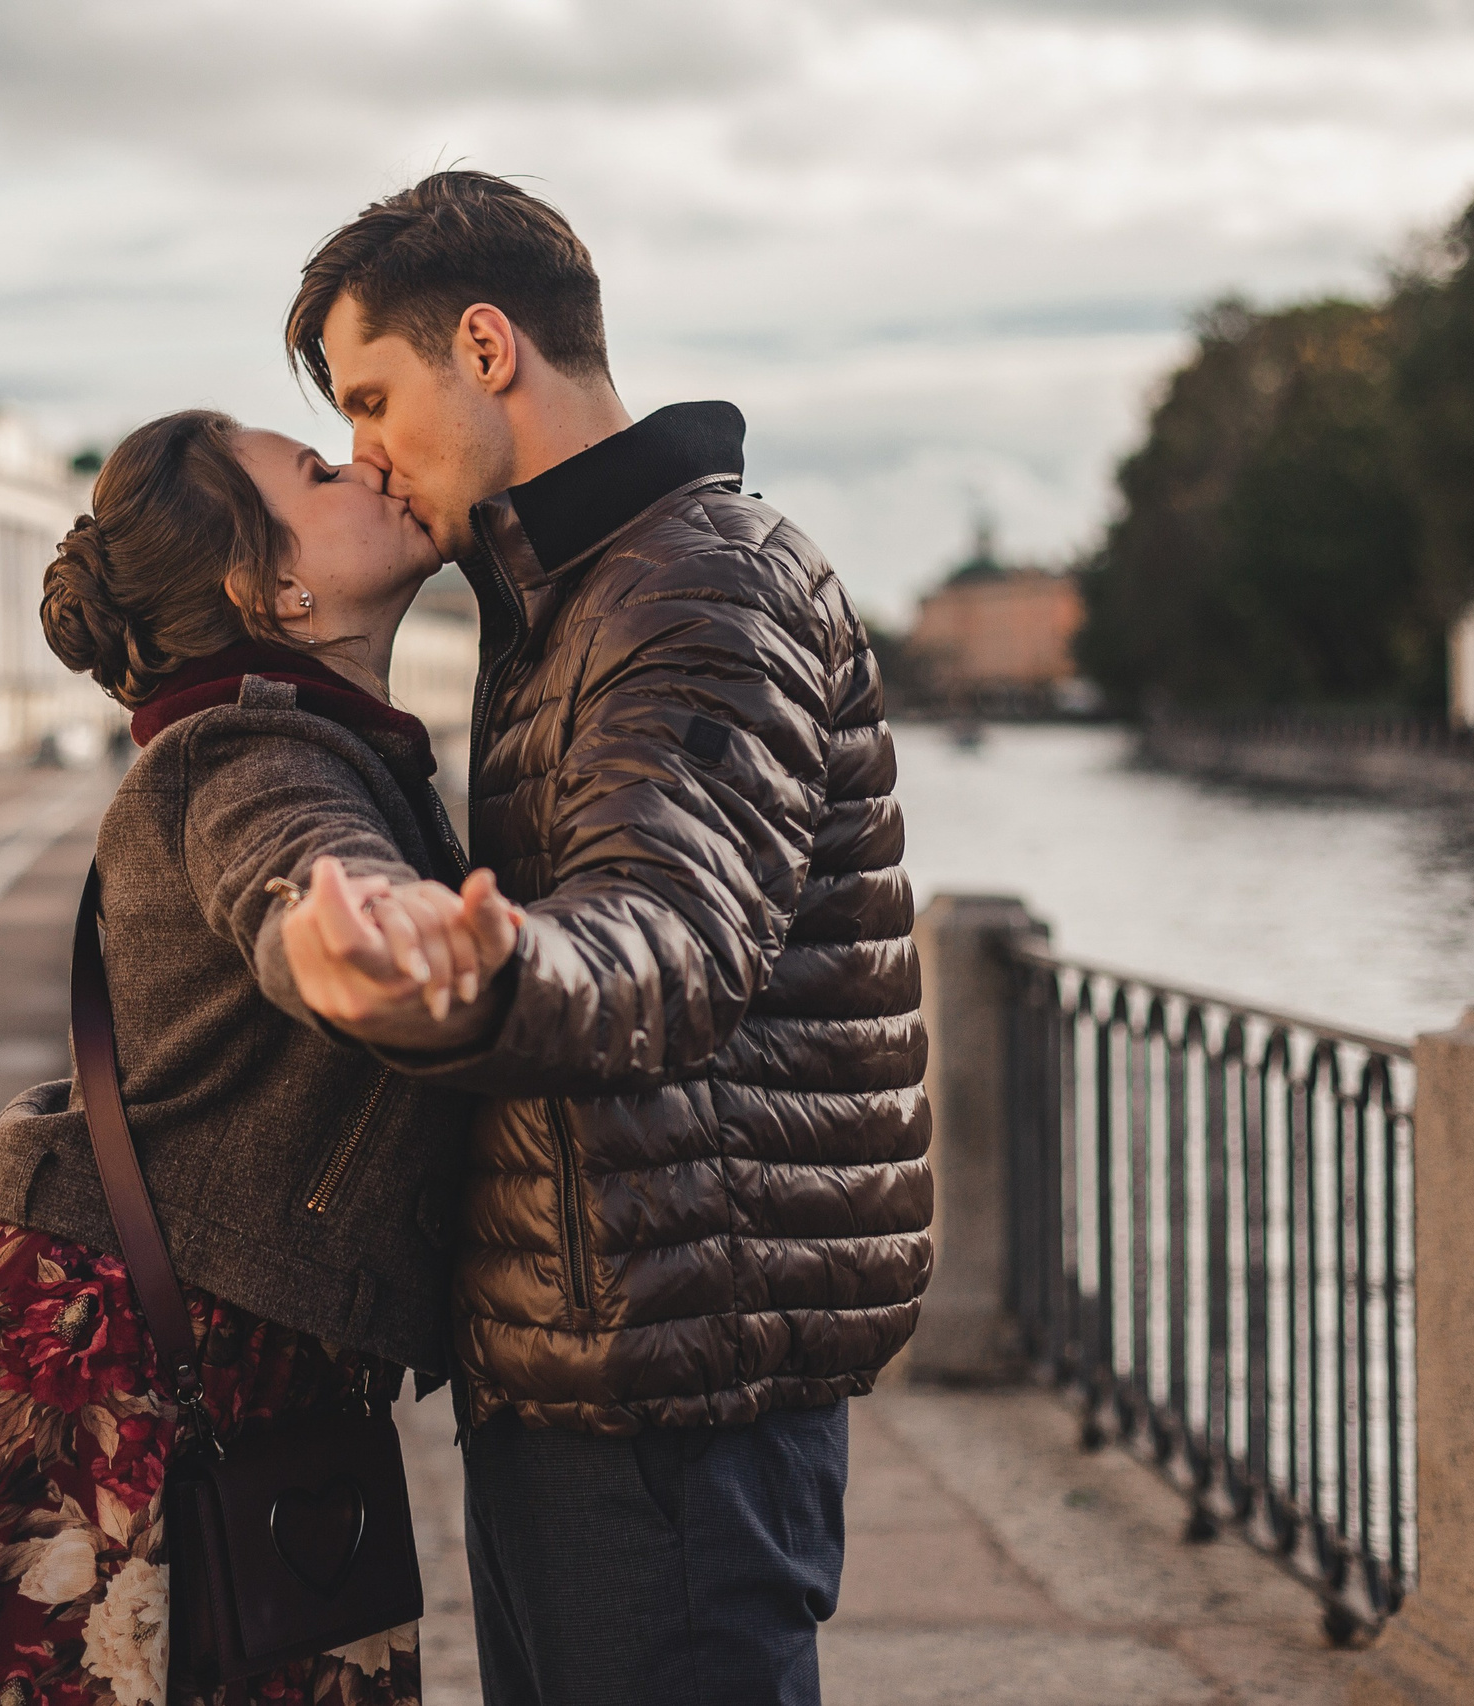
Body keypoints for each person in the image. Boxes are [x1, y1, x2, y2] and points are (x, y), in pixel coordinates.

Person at [0, 408, 518, 1706]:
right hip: (116, 1371)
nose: (366, 461)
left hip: (179, 1345)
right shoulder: (249, 749)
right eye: (319, 471)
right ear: (270, 588)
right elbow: (295, 869)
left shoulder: (313, 738)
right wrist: (360, 938)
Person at [275, 172, 934, 1706]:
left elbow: (667, 929)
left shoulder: (698, 578)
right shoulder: (566, 588)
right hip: (594, 1353)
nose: (365, 455)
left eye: (372, 397)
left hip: (676, 1392)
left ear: (486, 345)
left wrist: (484, 973)